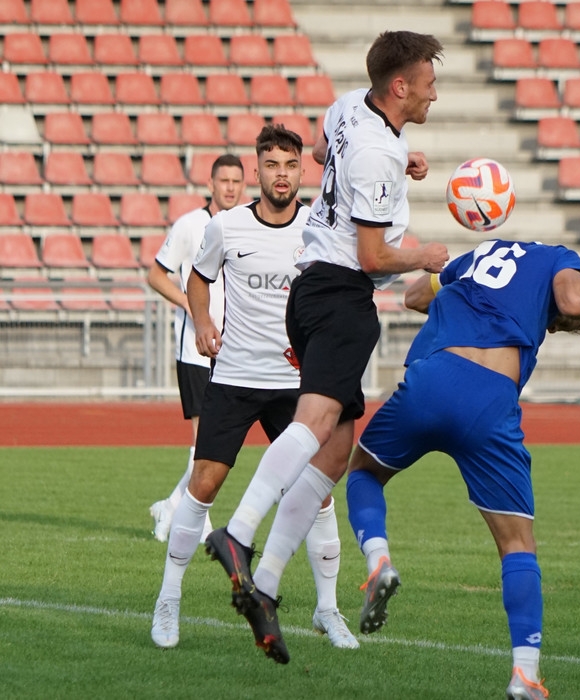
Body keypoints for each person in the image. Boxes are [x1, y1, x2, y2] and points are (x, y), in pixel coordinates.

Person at [202, 30, 450, 664]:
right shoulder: (375, 151)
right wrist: (423, 254)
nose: (434, 93)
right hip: (340, 292)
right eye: (428, 82)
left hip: (313, 288)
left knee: (336, 453)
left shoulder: (350, 107)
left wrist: (400, 161)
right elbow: (373, 257)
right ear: (400, 85)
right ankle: (238, 534)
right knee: (314, 426)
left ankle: (265, 587)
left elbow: (321, 151)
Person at [346, 239, 580, 700]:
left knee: (363, 472)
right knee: (517, 544)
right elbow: (574, 300)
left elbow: (413, 296)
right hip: (490, 398)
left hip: (432, 376)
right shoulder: (560, 259)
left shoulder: (479, 255)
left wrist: (459, 290)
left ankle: (379, 560)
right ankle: (525, 676)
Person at [151, 125, 359, 654]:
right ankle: (168, 599)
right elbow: (198, 278)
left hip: (298, 385)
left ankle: (328, 609)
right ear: (257, 171)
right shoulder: (227, 226)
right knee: (203, 485)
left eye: (290, 165)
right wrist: (202, 321)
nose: (281, 175)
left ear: (302, 171)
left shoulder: (319, 226)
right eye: (271, 165)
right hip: (236, 377)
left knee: (317, 495)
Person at [147, 154, 246, 543]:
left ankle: (171, 506)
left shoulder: (245, 224)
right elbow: (156, 275)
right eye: (224, 180)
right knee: (206, 440)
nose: (230, 188)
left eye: (236, 181)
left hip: (234, 349)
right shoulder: (190, 225)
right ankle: (199, 523)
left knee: (218, 440)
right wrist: (189, 303)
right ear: (211, 184)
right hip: (195, 348)